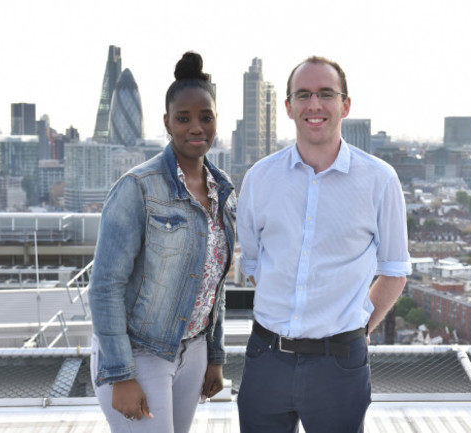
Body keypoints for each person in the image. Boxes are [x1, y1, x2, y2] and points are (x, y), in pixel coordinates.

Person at [236, 56, 411, 433]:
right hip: (266, 357)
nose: (314, 105)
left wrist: (360, 325)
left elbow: (395, 270)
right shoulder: (260, 178)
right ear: (288, 106)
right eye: (303, 95)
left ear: (345, 104)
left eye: (326, 94)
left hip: (339, 364)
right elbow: (253, 264)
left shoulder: (380, 180)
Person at [89, 51, 236, 433]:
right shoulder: (137, 188)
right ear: (167, 123)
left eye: (206, 116)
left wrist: (214, 358)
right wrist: (120, 374)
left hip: (195, 352)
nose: (196, 127)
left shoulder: (223, 191)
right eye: (183, 118)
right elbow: (105, 287)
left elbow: (212, 286)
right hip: (141, 353)